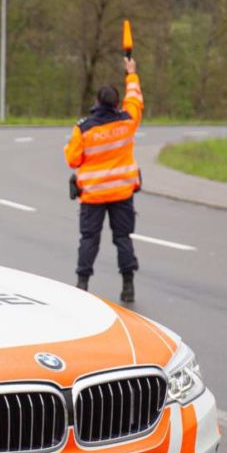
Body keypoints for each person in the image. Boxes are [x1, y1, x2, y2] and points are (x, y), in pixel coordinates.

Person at [64, 57, 143, 302]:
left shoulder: (84, 128)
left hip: (94, 195)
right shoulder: (128, 122)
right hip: (121, 194)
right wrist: (131, 73)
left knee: (89, 239)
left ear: (97, 102)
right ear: (117, 103)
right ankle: (128, 286)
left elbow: (72, 159)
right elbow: (135, 100)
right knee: (122, 238)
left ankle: (82, 283)